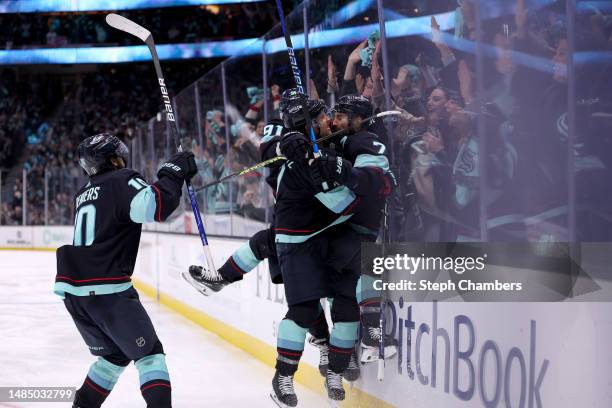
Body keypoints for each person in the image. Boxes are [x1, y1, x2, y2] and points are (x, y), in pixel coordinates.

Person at [54, 133, 197, 408]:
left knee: (114, 356)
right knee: (150, 356)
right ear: (113, 159)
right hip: (108, 291)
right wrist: (173, 171)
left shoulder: (83, 193)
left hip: (75, 294)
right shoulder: (122, 179)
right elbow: (156, 206)